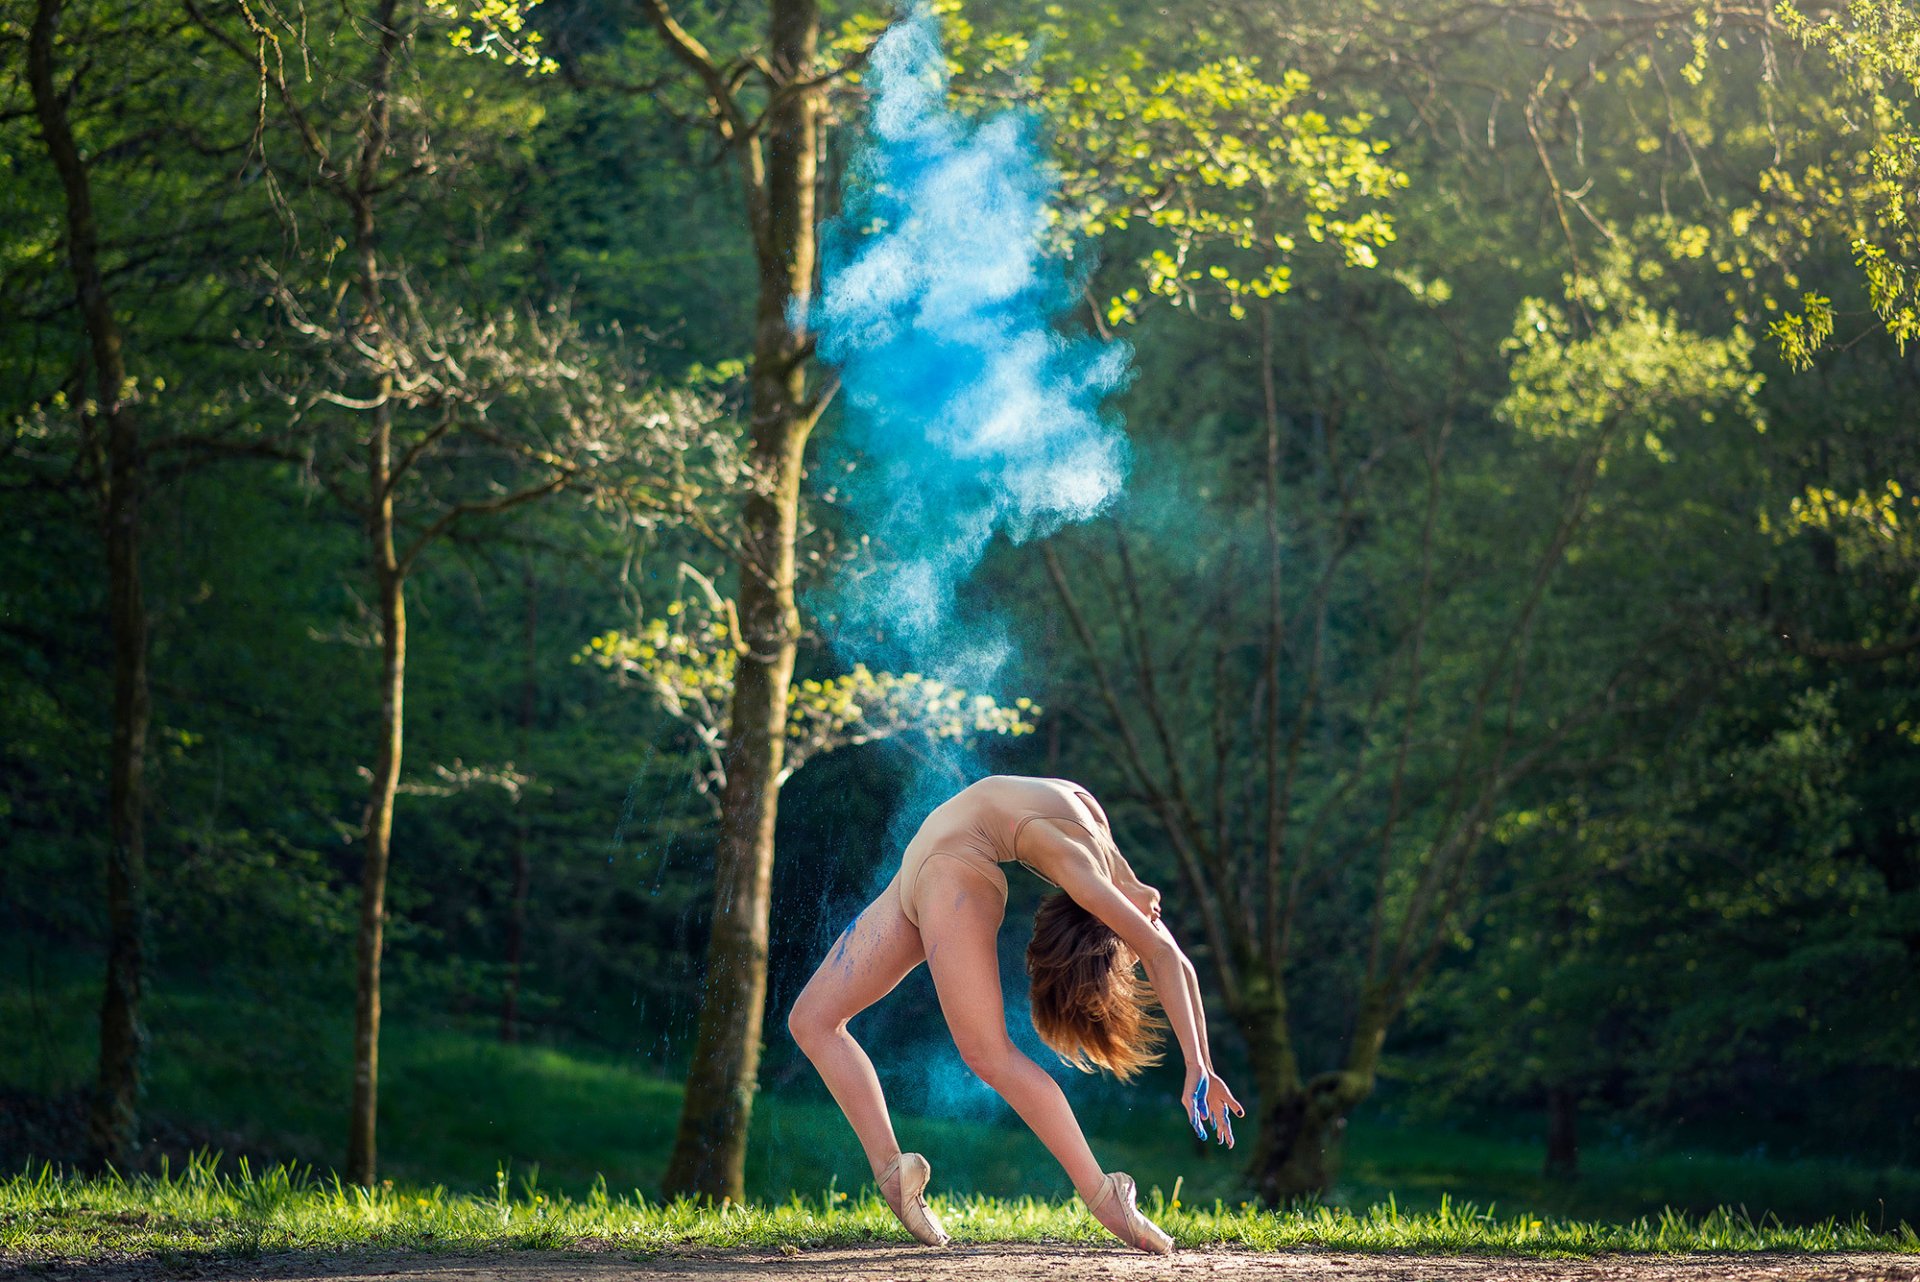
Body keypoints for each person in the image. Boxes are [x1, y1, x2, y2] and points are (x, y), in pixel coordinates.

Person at [788, 774, 1244, 1254]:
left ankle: (901, 1174)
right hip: (946, 869)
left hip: (931, 855)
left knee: (823, 1022)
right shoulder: (1081, 867)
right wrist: (1194, 1065)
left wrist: (1204, 1063)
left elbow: (1174, 961)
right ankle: (1098, 1194)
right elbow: (1163, 956)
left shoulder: (1098, 834)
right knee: (970, 1051)